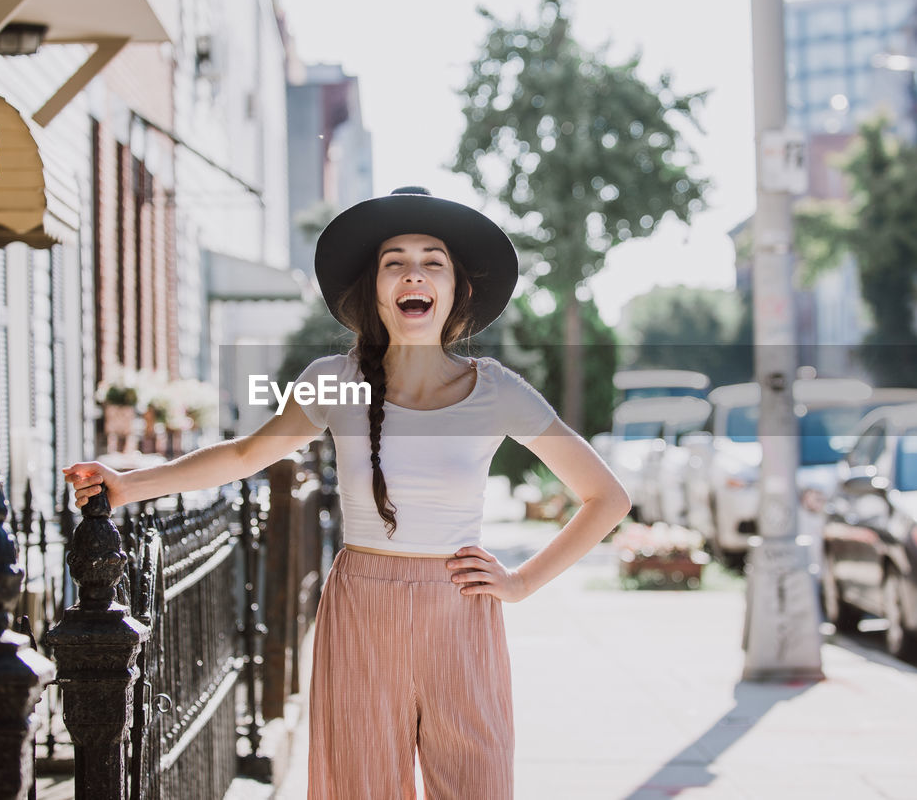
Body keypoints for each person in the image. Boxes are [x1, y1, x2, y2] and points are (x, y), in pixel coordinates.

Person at [64, 186, 631, 799]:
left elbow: (606, 497)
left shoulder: (495, 391)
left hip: (460, 610)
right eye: (395, 262)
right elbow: (243, 455)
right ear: (375, 289)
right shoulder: (335, 384)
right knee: (358, 785)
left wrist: (521, 582)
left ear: (457, 290)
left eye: (432, 261)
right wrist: (128, 487)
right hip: (362, 603)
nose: (414, 273)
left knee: (476, 784)